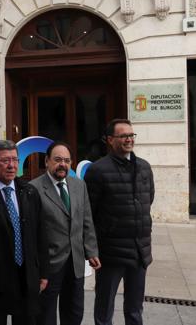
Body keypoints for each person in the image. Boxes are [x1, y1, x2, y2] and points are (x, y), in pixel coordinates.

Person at [84, 119, 154, 325]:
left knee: (134, 310)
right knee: (104, 310)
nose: (129, 139)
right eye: (124, 136)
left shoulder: (144, 167)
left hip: (140, 251)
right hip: (110, 253)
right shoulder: (97, 170)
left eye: (131, 135)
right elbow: (89, 213)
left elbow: (148, 199)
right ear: (110, 140)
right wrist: (92, 250)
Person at [0, 139, 48, 325]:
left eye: (15, 159)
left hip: (26, 274)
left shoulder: (29, 192)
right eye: (5, 160)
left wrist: (43, 272)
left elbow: (40, 234)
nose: (12, 165)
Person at [30, 141, 101, 325]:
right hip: (49, 263)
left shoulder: (79, 185)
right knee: (45, 315)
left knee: (74, 311)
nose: (63, 164)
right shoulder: (33, 189)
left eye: (67, 160)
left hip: (75, 261)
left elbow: (86, 220)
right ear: (47, 161)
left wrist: (91, 250)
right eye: (58, 159)